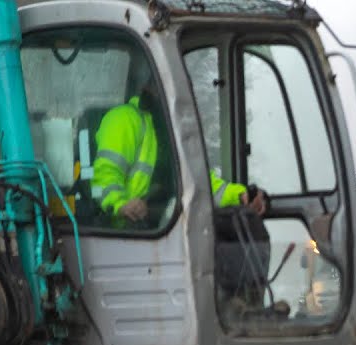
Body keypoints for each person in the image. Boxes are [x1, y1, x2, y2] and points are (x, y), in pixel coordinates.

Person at [93, 60, 267, 227]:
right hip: (124, 233)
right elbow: (105, 177)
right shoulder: (124, 120)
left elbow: (199, 183)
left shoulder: (170, 127)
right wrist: (121, 205)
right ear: (149, 86)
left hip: (164, 227)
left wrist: (241, 196)